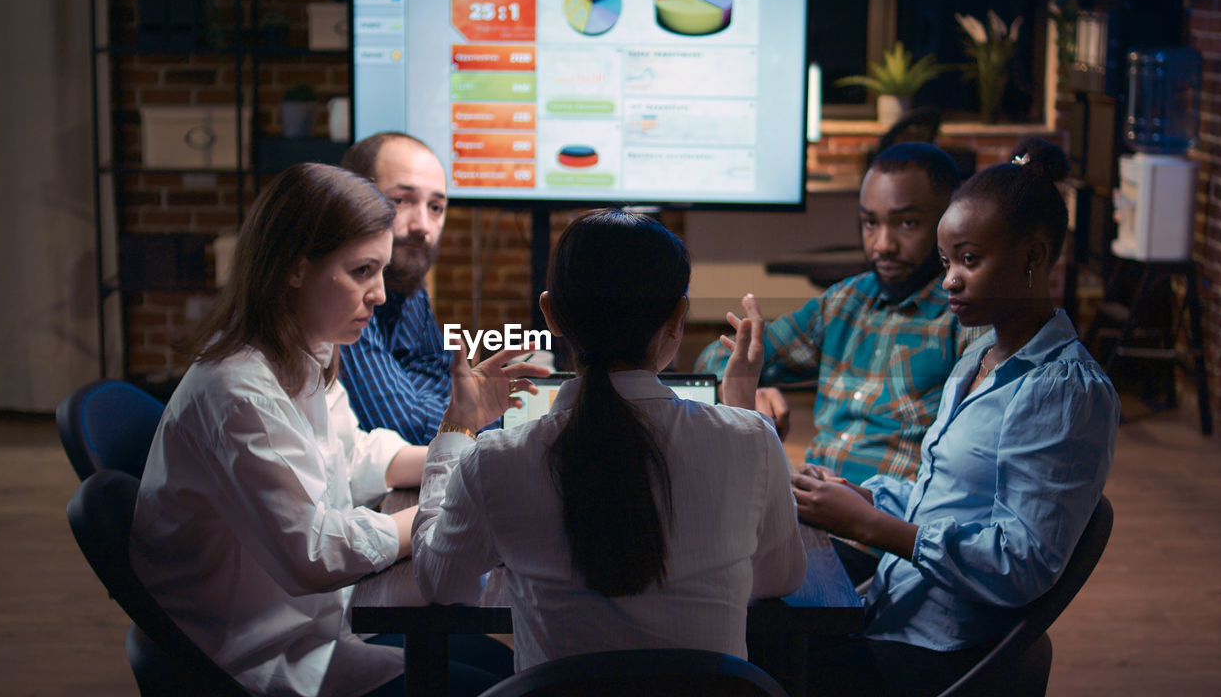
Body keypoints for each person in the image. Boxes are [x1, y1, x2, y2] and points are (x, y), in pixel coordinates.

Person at [130, 163, 512, 697]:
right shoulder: (238, 389)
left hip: (313, 630)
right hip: (257, 658)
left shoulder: (306, 346)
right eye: (361, 271)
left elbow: (351, 455)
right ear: (293, 268)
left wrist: (466, 441)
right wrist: (440, 520)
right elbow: (316, 553)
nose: (378, 294)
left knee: (503, 672)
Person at [411, 209, 807, 671]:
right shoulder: (752, 442)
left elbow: (441, 583)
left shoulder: (496, 461)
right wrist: (739, 407)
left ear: (551, 315)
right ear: (677, 317)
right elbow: (778, 577)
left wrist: (458, 429)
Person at [802, 139, 1119, 696]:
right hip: (895, 613)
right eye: (947, 262)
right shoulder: (981, 356)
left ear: (1034, 256)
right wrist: (863, 496)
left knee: (761, 659)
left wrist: (874, 529)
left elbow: (1022, 565)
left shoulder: (1065, 391)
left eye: (969, 260)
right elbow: (945, 498)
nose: (949, 279)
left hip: (941, 653)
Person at [695, 142, 980, 583]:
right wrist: (750, 384)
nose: (882, 244)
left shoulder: (965, 320)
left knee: (723, 579)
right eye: (870, 223)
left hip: (880, 541)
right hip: (802, 516)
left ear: (948, 222)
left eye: (907, 223)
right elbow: (714, 357)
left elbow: (966, 482)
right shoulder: (847, 301)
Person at [337, 132, 453, 444]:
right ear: (350, 200)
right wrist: (465, 417)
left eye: (436, 207)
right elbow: (403, 428)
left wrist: (410, 395)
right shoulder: (336, 296)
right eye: (401, 200)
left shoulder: (406, 274)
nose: (422, 227)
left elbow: (440, 374)